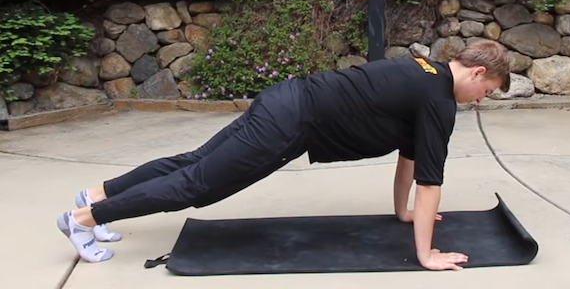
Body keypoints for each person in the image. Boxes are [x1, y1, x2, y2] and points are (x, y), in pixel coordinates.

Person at [56, 38, 510, 271]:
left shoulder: (425, 71)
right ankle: (83, 221)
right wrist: (427, 255)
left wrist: (403, 212)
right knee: (199, 185)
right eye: (485, 91)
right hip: (289, 123)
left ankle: (93, 195)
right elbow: (432, 179)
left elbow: (410, 158)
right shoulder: (439, 100)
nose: (480, 100)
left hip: (287, 99)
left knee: (192, 161)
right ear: (477, 71)